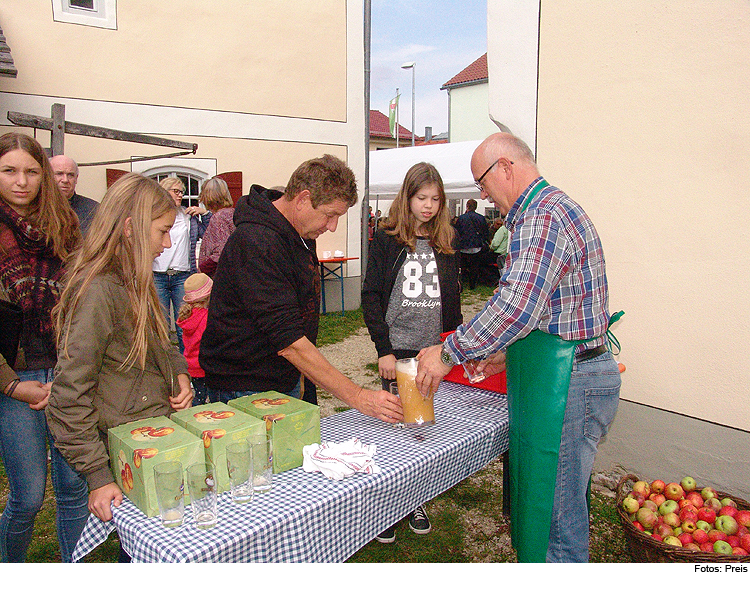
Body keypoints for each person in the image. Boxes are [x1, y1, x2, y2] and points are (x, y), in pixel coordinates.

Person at [415, 133, 621, 563]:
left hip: (569, 382)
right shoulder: (551, 209)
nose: (483, 194)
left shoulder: (541, 217)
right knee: (557, 507)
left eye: (482, 183)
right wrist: (505, 354)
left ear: (505, 168)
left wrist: (449, 350)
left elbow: (516, 306)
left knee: (553, 523)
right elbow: (557, 309)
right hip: (571, 372)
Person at [199, 154, 402, 424]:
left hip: (285, 374)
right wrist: (358, 397)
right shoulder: (256, 242)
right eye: (330, 215)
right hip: (245, 384)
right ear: (303, 199)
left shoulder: (300, 233)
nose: (332, 227)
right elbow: (289, 342)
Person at [46, 173, 193, 534]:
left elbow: (165, 339)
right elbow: (68, 396)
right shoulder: (99, 291)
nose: (168, 241)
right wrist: (97, 475)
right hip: (121, 446)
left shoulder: (136, 278)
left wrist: (181, 375)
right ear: (130, 227)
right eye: (162, 230)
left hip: (149, 435)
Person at [0, 132, 89, 563]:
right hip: (15, 377)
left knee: (74, 490)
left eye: (31, 172)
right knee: (29, 495)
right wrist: (14, 387)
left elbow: (81, 300)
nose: (22, 182)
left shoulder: (65, 226)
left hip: (66, 368)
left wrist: (76, 370)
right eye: (9, 171)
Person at [361, 161, 462, 543]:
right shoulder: (387, 239)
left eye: (436, 199)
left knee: (421, 428)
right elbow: (370, 295)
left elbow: (452, 299)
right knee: (393, 426)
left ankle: (414, 497)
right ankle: (389, 502)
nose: (429, 206)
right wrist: (383, 349)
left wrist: (452, 346)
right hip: (397, 351)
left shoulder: (445, 243)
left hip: (431, 353)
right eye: (422, 198)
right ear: (407, 197)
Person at [152, 177, 211, 353]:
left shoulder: (188, 217)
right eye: (176, 191)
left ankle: (188, 368)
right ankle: (166, 367)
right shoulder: (152, 215)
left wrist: (205, 214)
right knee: (160, 323)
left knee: (185, 324)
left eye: (182, 192)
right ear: (164, 192)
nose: (180, 195)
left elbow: (209, 235)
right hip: (158, 275)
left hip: (182, 277)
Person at [176, 272, 213, 405]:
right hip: (204, 366)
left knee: (198, 398)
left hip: (191, 366)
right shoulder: (207, 317)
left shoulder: (187, 316)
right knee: (208, 401)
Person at [49, 155, 99, 236]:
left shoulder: (94, 210)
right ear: (47, 176)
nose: (65, 180)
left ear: (76, 178)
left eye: (70, 175)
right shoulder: (35, 208)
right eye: (59, 174)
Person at [197, 177, 235, 277]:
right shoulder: (232, 213)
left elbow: (221, 253)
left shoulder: (219, 218)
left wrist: (202, 268)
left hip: (220, 276)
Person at [453, 198, 489, 290]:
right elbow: (485, 232)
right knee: (474, 267)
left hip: (463, 246)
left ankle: (462, 283)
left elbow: (457, 231)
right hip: (476, 246)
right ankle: (472, 285)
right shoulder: (481, 218)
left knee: (462, 266)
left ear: (467, 206)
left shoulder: (461, 218)